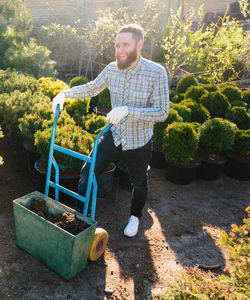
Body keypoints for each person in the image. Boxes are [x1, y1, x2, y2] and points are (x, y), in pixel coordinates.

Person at [51, 24, 169, 237]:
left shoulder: (156, 72)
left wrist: (128, 111)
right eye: (117, 45)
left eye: (125, 44)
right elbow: (92, 87)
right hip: (112, 135)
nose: (120, 49)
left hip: (138, 141)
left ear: (139, 44)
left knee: (139, 182)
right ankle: (80, 218)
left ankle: (134, 216)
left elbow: (162, 112)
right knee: (87, 173)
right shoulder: (112, 69)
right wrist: (65, 94)